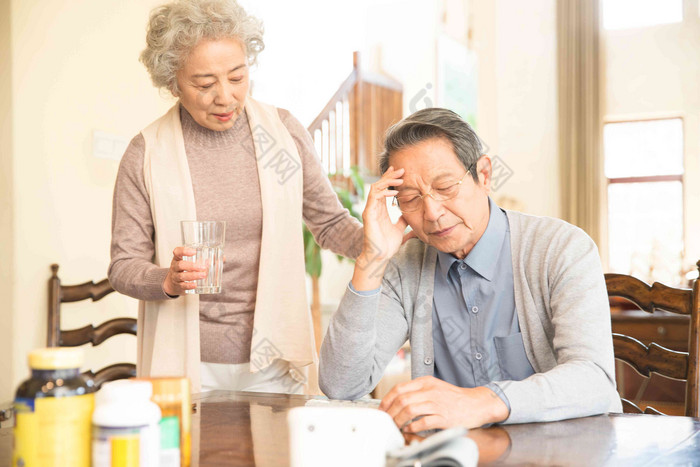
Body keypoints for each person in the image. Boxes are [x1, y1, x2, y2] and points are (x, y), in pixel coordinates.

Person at [109, 0, 362, 394]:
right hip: (186, 363)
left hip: (272, 360)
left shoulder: (284, 133)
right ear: (173, 82)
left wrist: (380, 242)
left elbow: (330, 224)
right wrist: (168, 280)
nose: (225, 97)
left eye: (237, 76)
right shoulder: (147, 152)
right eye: (205, 84)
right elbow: (123, 265)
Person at [319, 108, 622, 430]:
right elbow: (341, 386)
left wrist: (483, 402)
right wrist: (371, 259)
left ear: (484, 174)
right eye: (410, 198)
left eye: (446, 187)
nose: (432, 213)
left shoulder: (560, 248)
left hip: (562, 451)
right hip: (454, 453)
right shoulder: (405, 264)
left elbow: (594, 379)